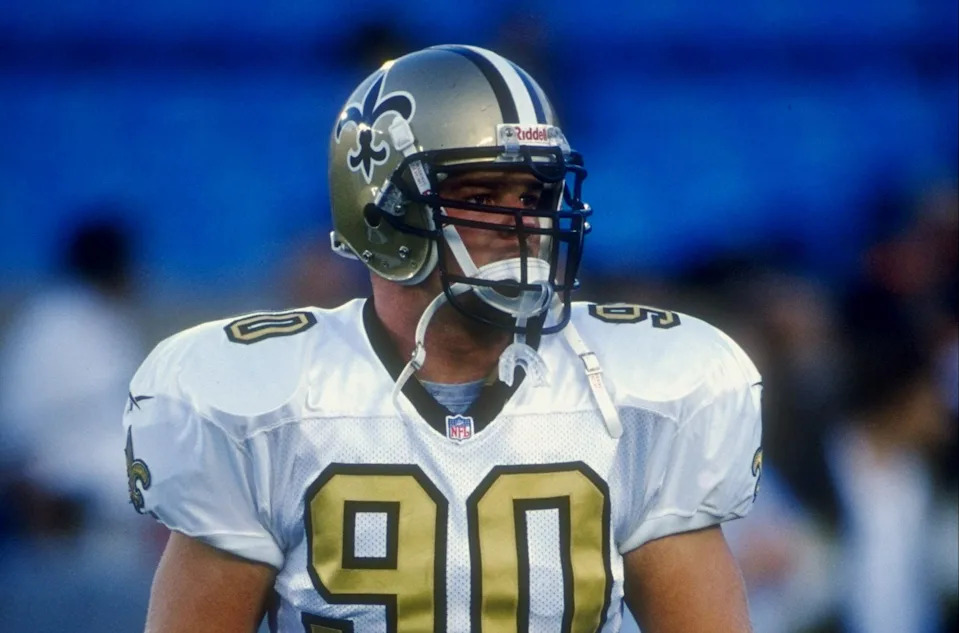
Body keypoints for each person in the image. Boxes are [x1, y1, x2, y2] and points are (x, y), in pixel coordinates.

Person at [123, 45, 762, 632]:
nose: (526, 223)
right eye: (484, 194)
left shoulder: (637, 389)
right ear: (385, 209)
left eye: (536, 194)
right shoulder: (263, 399)